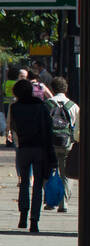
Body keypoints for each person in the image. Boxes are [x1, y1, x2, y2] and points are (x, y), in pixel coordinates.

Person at [8, 78, 56, 234]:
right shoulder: (41, 107)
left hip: (23, 148)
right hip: (40, 149)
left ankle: (23, 214)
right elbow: (48, 130)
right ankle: (34, 220)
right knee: (37, 186)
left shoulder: (15, 108)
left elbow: (13, 127)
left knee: (24, 183)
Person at [46, 77, 79, 214]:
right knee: (66, 174)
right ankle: (63, 203)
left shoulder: (46, 104)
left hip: (50, 143)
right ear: (66, 89)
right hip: (67, 143)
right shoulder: (73, 106)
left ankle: (51, 201)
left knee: (50, 171)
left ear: (52, 89)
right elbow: (77, 126)